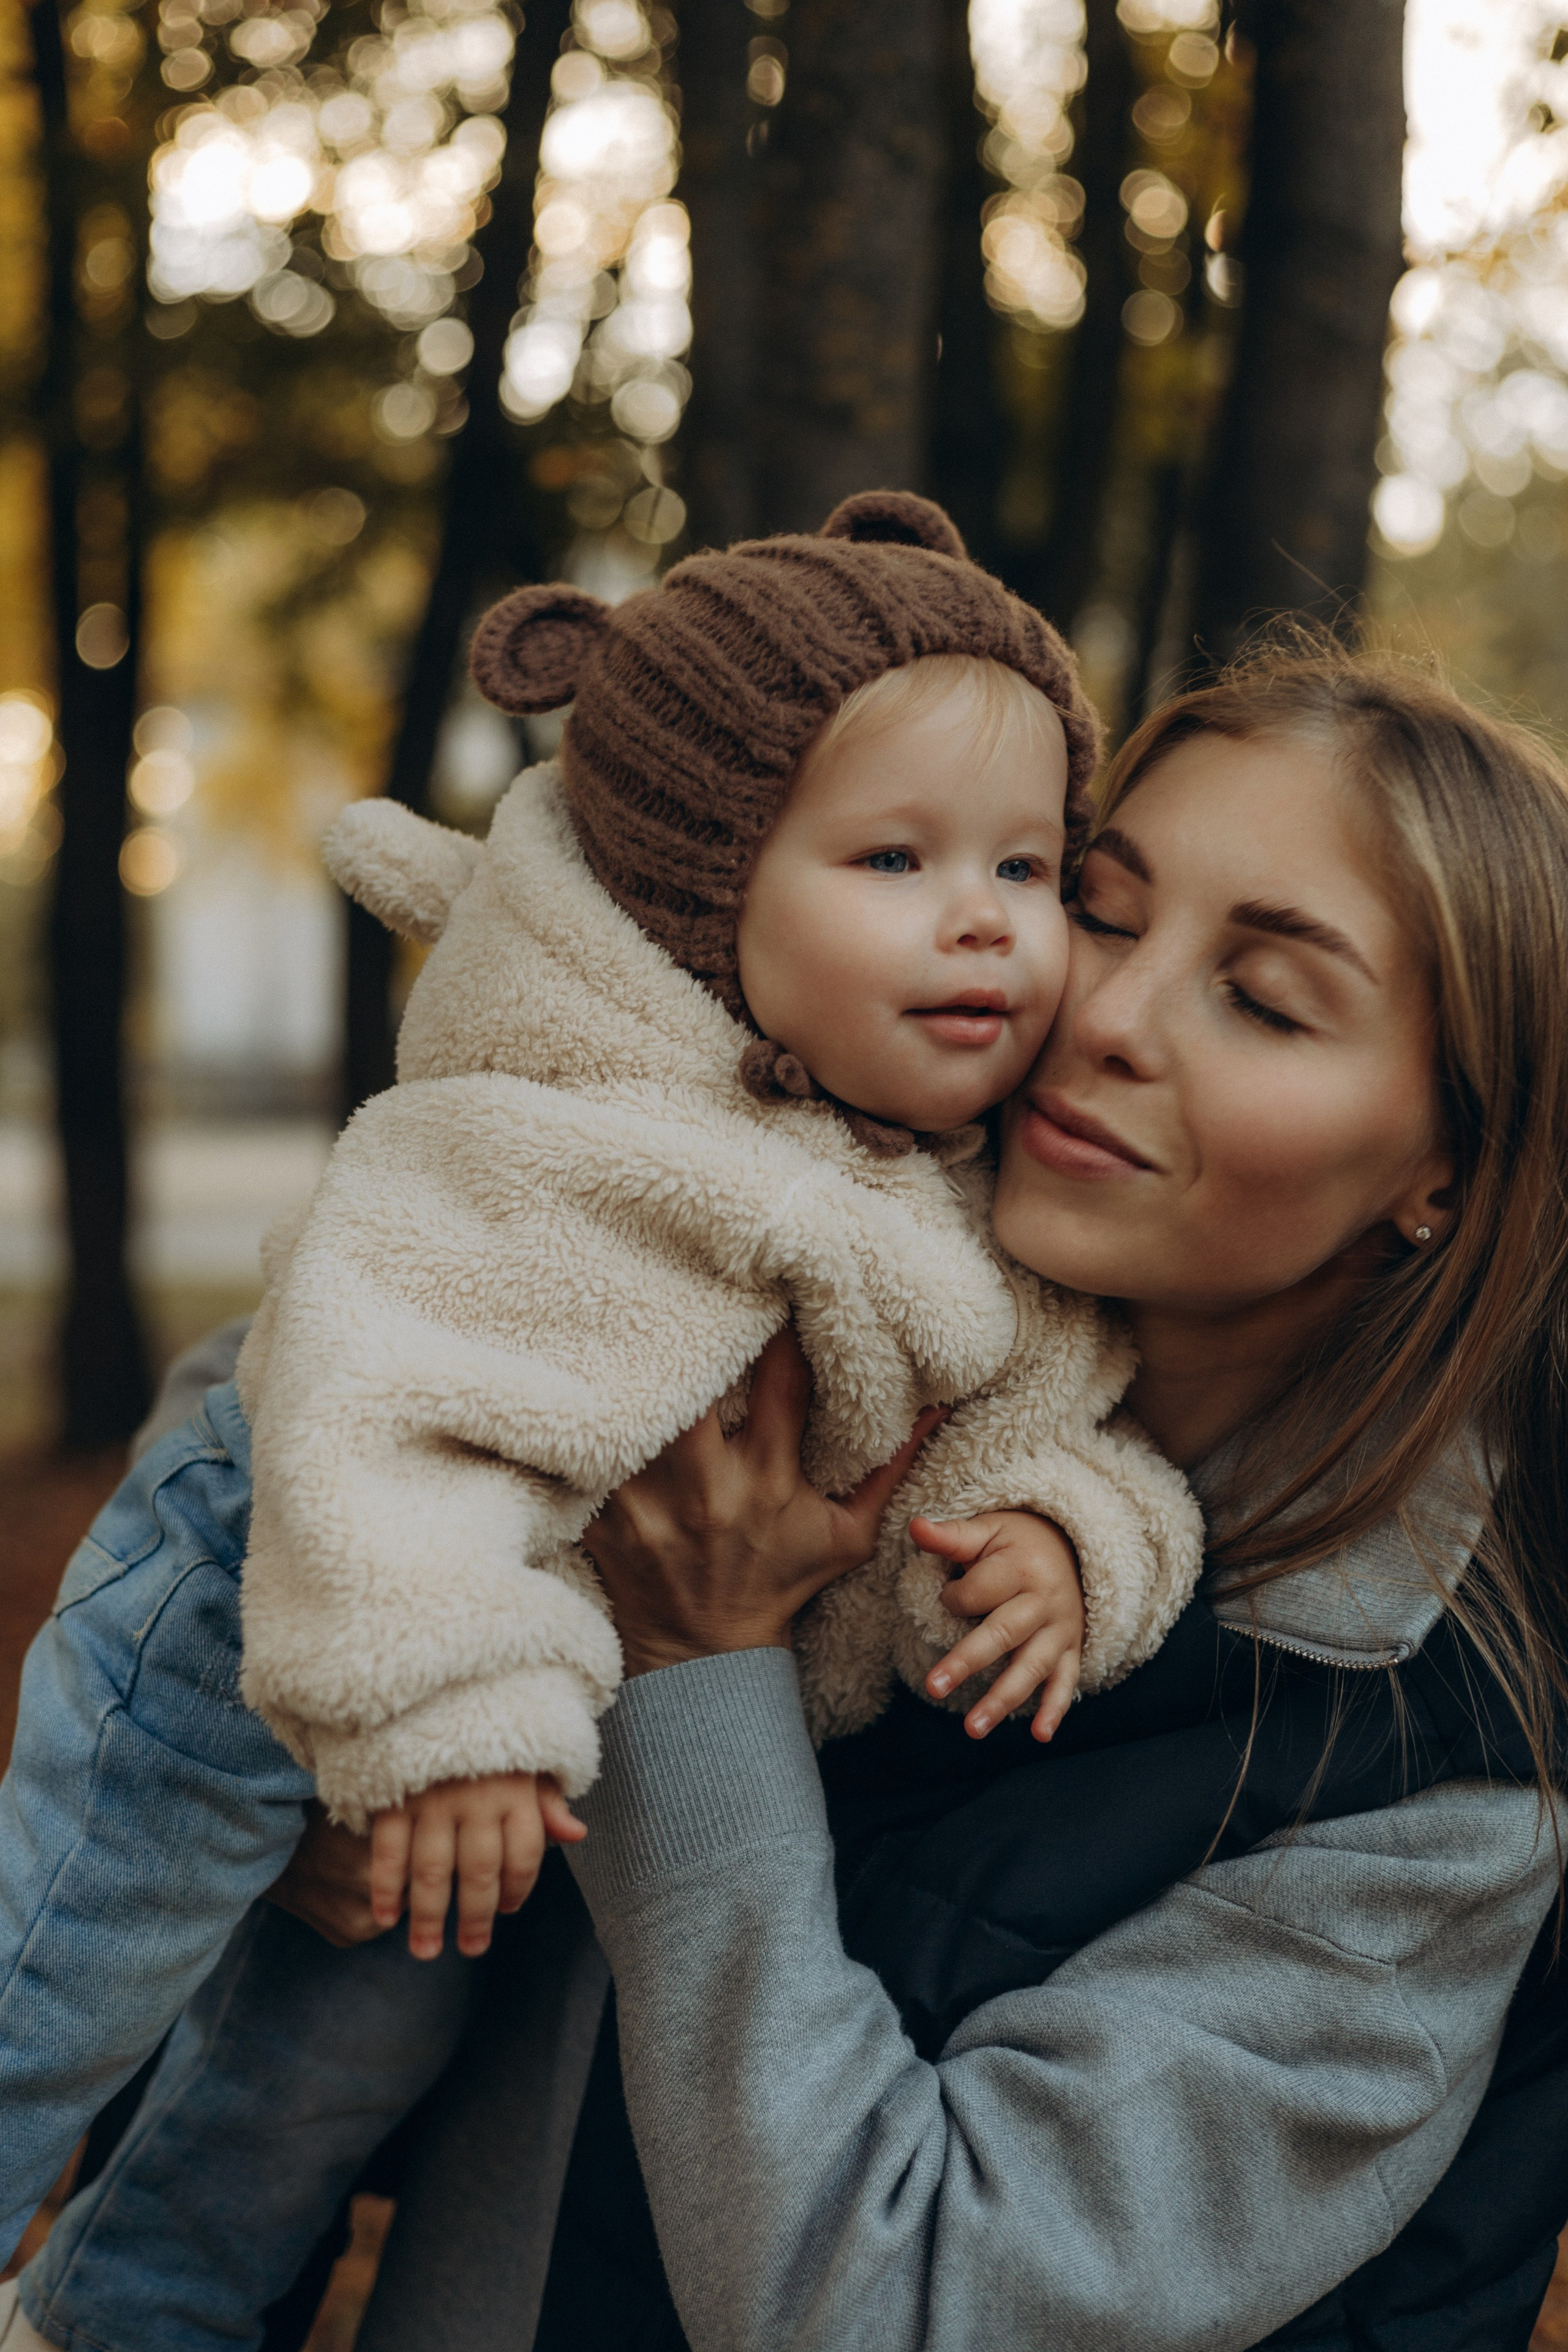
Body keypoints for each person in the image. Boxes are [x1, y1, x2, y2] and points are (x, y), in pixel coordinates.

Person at [0, 491, 1208, 2328]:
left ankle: (120, 2316)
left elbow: (1055, 1403)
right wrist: (460, 1695)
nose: (983, 926)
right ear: (715, 894)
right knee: (66, 1969)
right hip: (314, 1563)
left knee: (312, 2093)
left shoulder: (958, 1179)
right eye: (893, 863)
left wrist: (1071, 1536)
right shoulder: (570, 1118)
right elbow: (378, 1371)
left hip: (520, 1699)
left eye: (1029, 870)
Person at [301, 641, 1568, 2352]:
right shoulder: (812, 1339)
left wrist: (695, 1676)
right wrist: (362, 1797)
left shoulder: (1435, 1784)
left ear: (1444, 1174)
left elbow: (904, 2300)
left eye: (1265, 999)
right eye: (1101, 909)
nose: (1107, 1017)